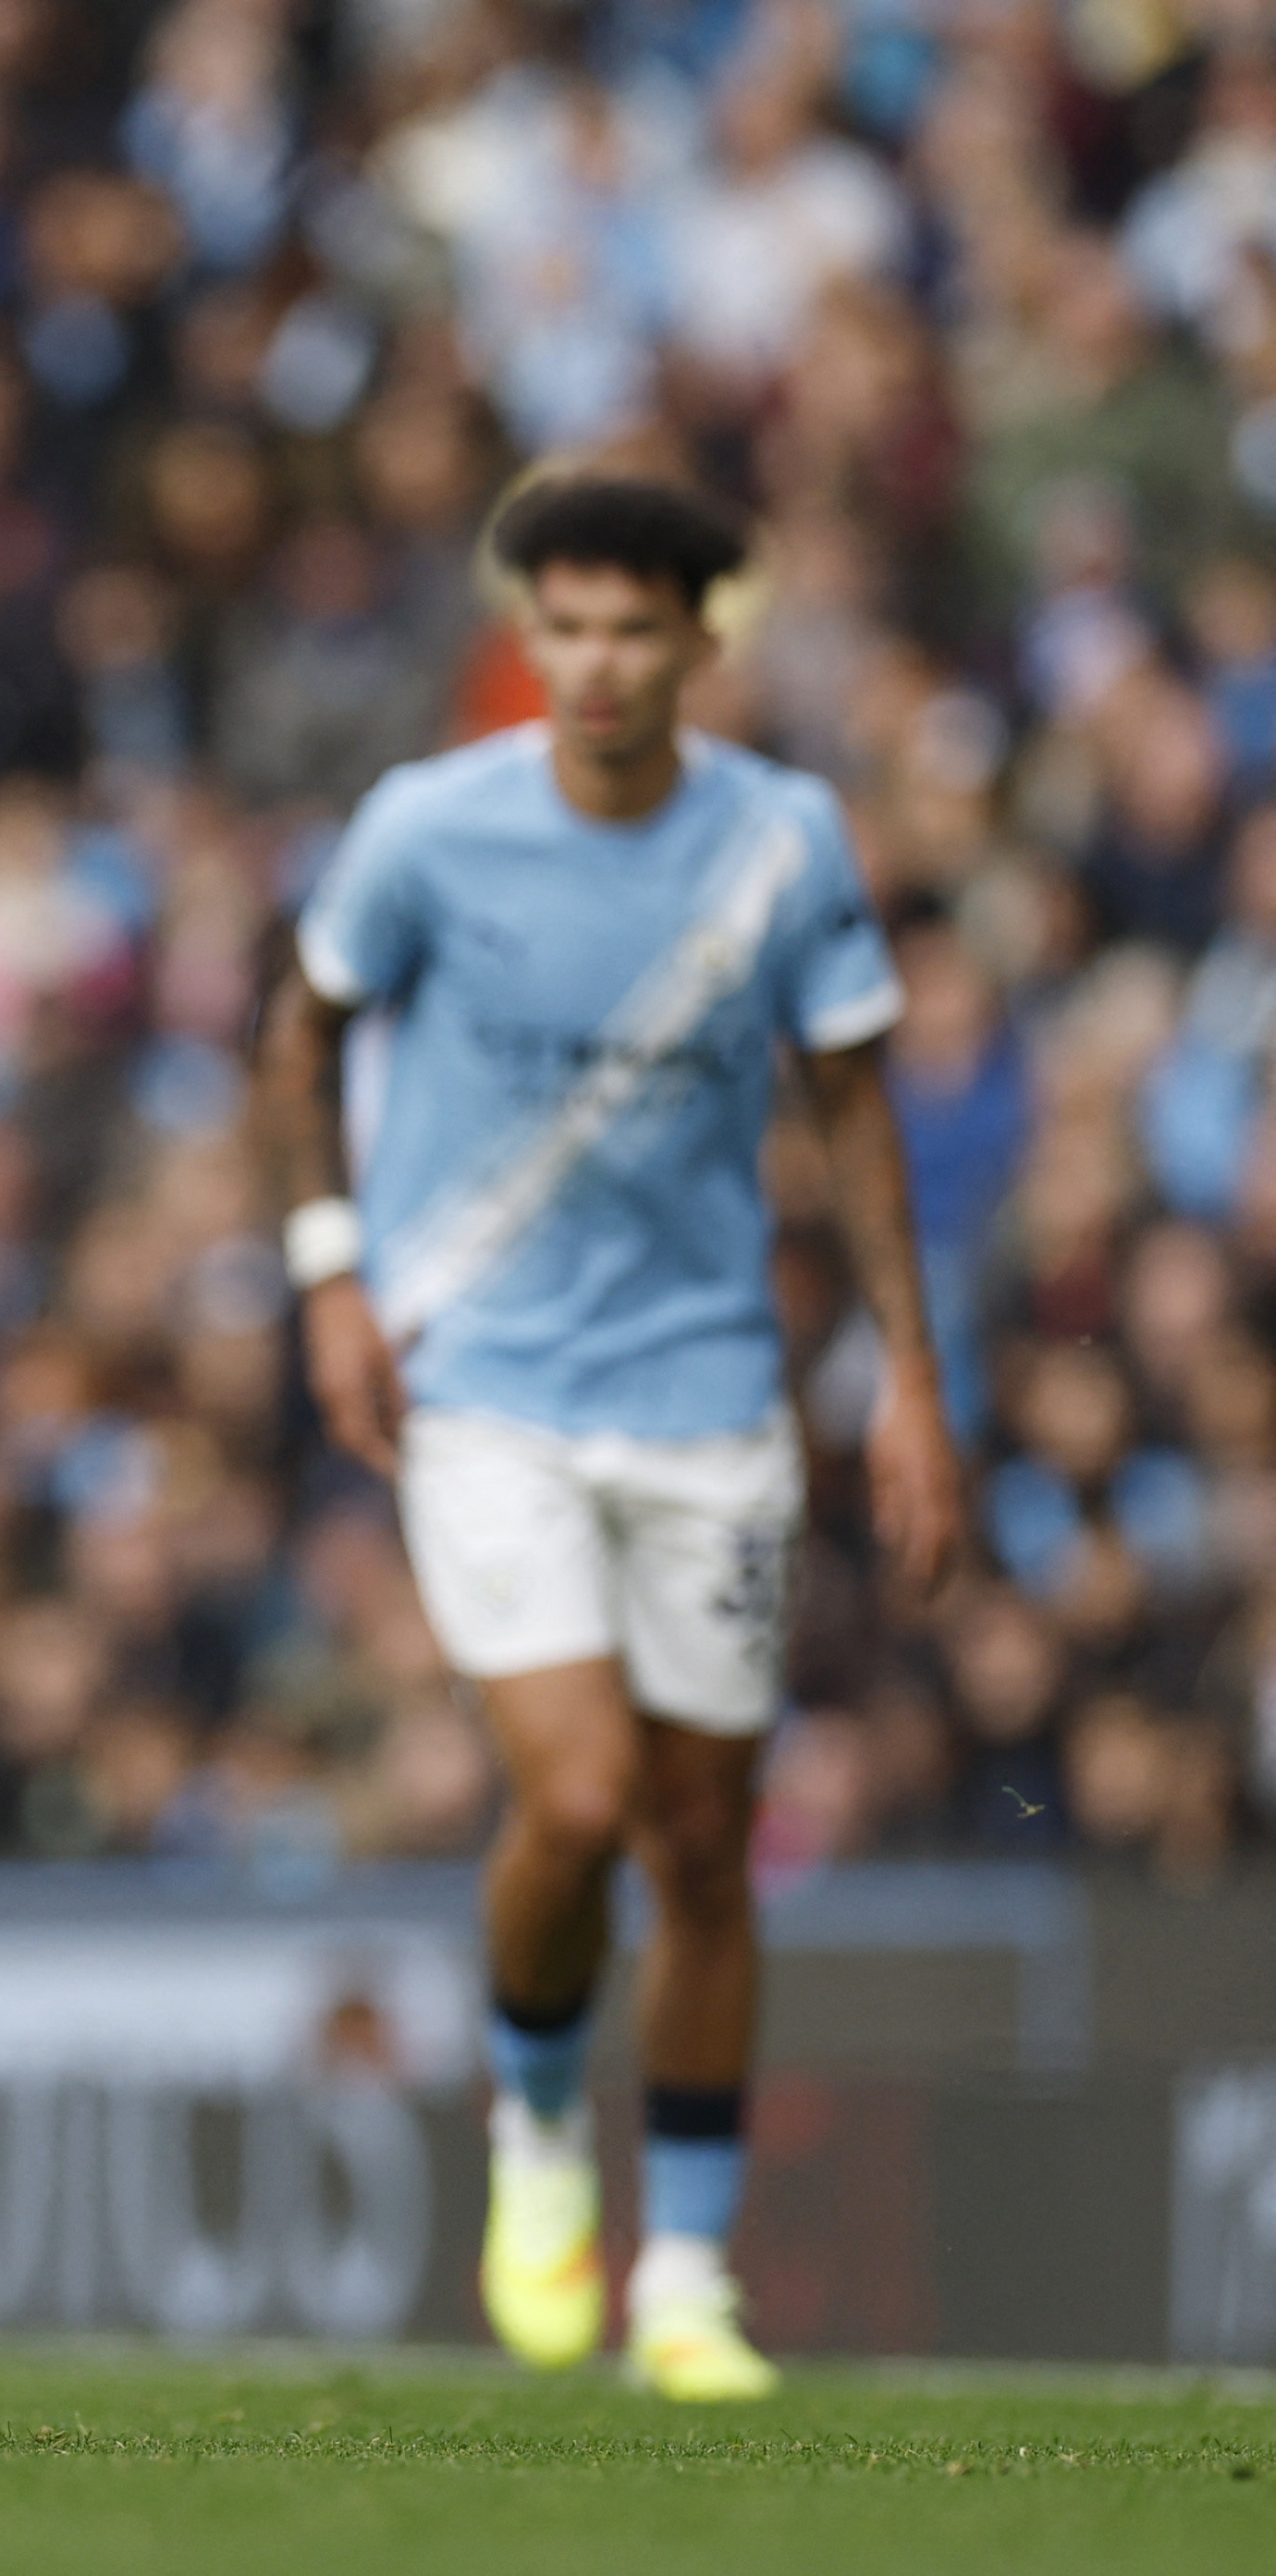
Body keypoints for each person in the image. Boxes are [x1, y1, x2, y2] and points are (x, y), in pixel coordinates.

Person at [253, 472, 963, 2401]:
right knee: (575, 1799)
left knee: (708, 1845)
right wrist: (329, 1272)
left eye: (631, 630)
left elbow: (850, 1109)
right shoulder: (430, 826)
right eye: (561, 625)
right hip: (480, 1381)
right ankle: (542, 2125)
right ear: (527, 635)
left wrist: (910, 1371)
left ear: (696, 644)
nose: (591, 663)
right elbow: (300, 1033)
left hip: (708, 1399)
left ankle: (689, 2284)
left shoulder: (780, 843)